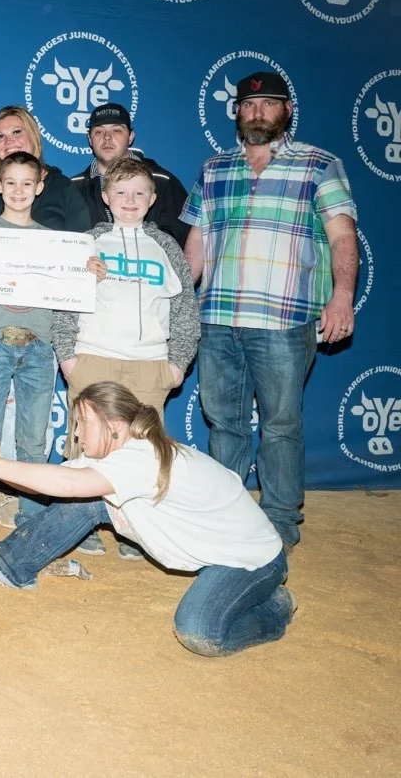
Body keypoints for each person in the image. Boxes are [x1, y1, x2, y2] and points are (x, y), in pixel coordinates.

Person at [0, 380, 295, 659]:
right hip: (222, 548)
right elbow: (56, 481)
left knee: (198, 631)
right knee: (85, 500)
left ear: (114, 426)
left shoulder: (140, 459)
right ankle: (8, 568)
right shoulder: (121, 460)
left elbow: (70, 483)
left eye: (82, 424)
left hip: (253, 561)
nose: (76, 435)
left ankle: (275, 609)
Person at [181, 71, 358, 551]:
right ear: (237, 113)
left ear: (286, 111)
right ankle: (226, 515)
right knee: (224, 421)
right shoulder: (213, 169)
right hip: (217, 317)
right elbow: (196, 242)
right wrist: (177, 303)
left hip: (284, 321)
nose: (257, 112)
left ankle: (280, 522)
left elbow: (343, 236)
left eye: (269, 104)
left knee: (281, 423)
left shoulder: (320, 165)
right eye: (248, 105)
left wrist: (342, 296)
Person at [0, 152, 106, 559]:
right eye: (10, 182)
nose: (18, 191)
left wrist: (88, 273)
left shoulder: (56, 242)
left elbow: (73, 294)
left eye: (27, 183)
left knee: (34, 439)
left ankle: (32, 520)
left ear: (39, 187)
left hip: (40, 345)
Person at [53, 157, 200, 559]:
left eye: (139, 193)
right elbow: (66, 303)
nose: (129, 200)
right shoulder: (88, 243)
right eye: (120, 193)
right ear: (105, 197)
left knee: (144, 453)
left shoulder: (167, 247)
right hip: (93, 358)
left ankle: (135, 530)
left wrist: (177, 364)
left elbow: (185, 308)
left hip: (149, 365)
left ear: (152, 199)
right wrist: (69, 359)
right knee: (86, 449)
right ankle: (80, 529)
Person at [68, 103, 190, 246]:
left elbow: (181, 243)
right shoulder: (73, 188)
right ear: (90, 139)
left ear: (130, 137)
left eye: (116, 131)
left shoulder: (163, 182)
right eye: (99, 132)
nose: (107, 137)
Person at [0, 105, 90, 233]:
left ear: (33, 135)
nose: (9, 141)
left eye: (17, 132)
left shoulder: (62, 187)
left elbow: (82, 243)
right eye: (0, 136)